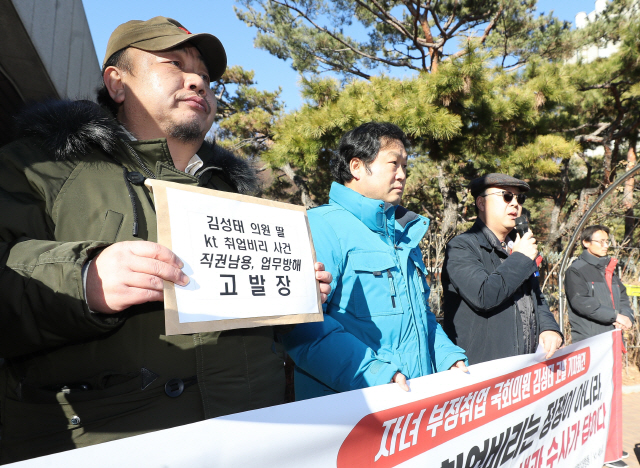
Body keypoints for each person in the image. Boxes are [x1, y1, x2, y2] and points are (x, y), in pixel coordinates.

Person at [0, 16, 331, 463]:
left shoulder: (236, 198)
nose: (197, 80)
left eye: (206, 76)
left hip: (253, 440)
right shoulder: (38, 166)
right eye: (173, 63)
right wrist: (82, 279)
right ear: (117, 84)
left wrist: (293, 294)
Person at [281, 122, 468, 401]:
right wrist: (377, 375)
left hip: (413, 402)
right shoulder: (320, 226)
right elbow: (302, 327)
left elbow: (421, 317)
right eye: (394, 163)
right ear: (356, 167)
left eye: (405, 165)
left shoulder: (402, 235)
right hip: (357, 408)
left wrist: (448, 357)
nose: (402, 174)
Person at [442, 173, 563, 365]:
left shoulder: (517, 246)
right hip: (483, 372)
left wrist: (549, 328)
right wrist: (521, 258)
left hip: (523, 367)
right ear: (481, 203)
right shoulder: (462, 246)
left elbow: (535, 297)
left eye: (519, 198)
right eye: (506, 196)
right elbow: (483, 295)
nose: (515, 203)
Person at [564, 225, 634, 468]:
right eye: (601, 241)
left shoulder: (610, 269)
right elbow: (581, 302)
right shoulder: (577, 270)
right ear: (585, 242)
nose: (606, 245)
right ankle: (600, 450)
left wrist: (626, 316)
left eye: (607, 241)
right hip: (593, 341)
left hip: (613, 339)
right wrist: (614, 316)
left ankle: (611, 445)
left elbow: (623, 298)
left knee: (612, 394)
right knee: (595, 399)